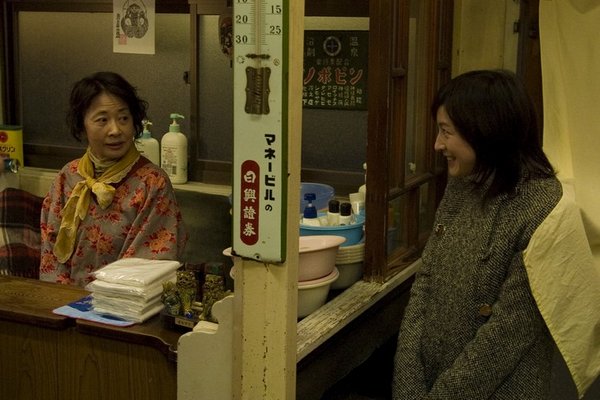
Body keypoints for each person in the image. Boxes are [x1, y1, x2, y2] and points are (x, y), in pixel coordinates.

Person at [393, 69, 600, 399]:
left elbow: (509, 333)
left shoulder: (543, 206)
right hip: (428, 381)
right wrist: (408, 384)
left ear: (484, 131)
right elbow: (425, 282)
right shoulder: (462, 184)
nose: (437, 144)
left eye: (446, 132)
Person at [39, 71, 187, 287]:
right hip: (66, 301)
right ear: (82, 126)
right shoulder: (68, 176)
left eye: (124, 118)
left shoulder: (152, 182)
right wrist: (63, 299)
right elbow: (50, 251)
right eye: (102, 120)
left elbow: (148, 264)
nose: (116, 130)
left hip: (123, 301)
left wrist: (103, 299)